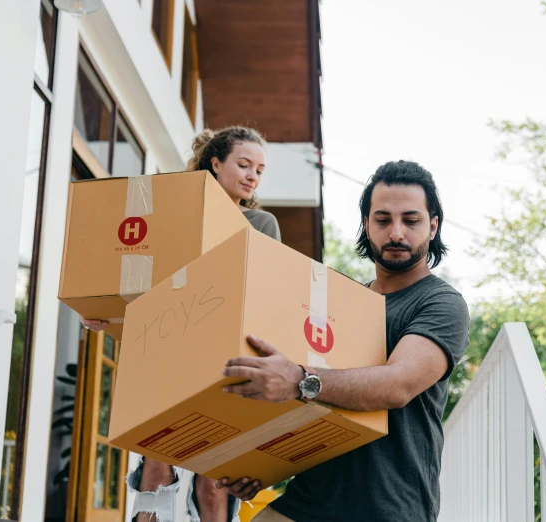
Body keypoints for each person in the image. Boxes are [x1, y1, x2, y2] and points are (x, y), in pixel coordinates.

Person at [217, 160, 470, 522]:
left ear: (432, 226)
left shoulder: (441, 303)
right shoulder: (340, 302)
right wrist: (259, 462)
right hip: (309, 495)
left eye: (410, 220)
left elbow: (396, 385)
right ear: (367, 226)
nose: (396, 232)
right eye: (382, 220)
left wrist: (298, 379)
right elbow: (295, 392)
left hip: (387, 506)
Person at [80, 125, 280, 522]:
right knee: (156, 470)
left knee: (212, 482)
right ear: (216, 162)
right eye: (243, 164)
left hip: (226, 362)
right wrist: (105, 309)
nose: (252, 175)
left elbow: (267, 296)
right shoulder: (172, 218)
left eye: (259, 169)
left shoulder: (261, 224)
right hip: (165, 356)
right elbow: (142, 283)